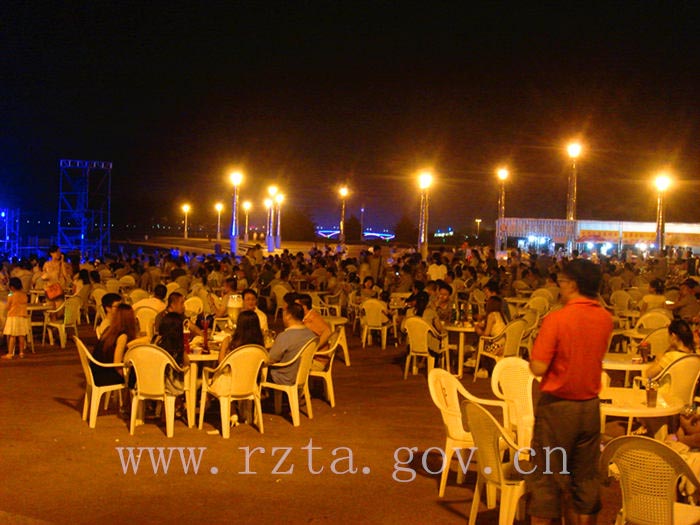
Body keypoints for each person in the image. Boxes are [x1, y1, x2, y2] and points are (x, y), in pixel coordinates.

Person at [527, 259, 613, 525]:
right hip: (589, 407)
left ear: (573, 284)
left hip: (558, 408)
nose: (559, 287)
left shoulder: (557, 318)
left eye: (562, 282)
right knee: (585, 479)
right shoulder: (605, 318)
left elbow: (538, 366)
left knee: (547, 479)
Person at [90, 304, 139, 387]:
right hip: (105, 375)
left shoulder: (109, 330)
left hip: (96, 372)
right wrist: (127, 378)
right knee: (138, 374)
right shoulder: (122, 336)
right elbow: (117, 364)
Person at [267, 303, 315, 385]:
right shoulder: (311, 334)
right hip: (301, 376)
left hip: (283, 377)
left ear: (288, 316)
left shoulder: (285, 336)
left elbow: (270, 359)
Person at [2, 277, 28, 359]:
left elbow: (8, 305)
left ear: (12, 287)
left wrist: (10, 293)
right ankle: (21, 353)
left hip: (13, 316)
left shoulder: (11, 294)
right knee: (21, 336)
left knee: (12, 336)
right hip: (23, 317)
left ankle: (10, 353)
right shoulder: (24, 295)